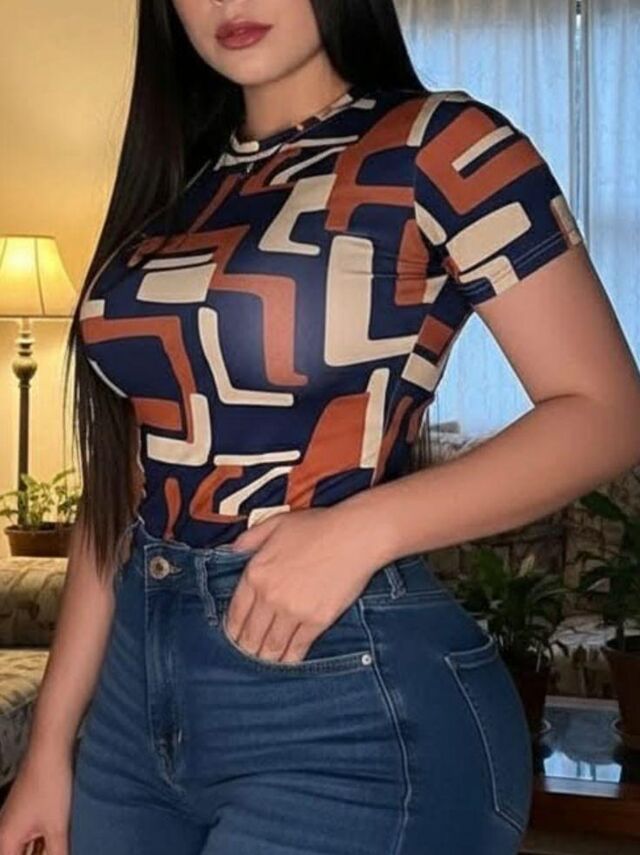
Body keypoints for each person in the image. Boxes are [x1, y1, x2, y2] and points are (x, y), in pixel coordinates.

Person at [2, 1, 640, 853]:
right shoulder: (176, 185)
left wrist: (360, 530)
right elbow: (121, 485)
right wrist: (50, 744)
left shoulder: (438, 146)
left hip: (348, 704)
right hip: (130, 711)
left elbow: (607, 412)